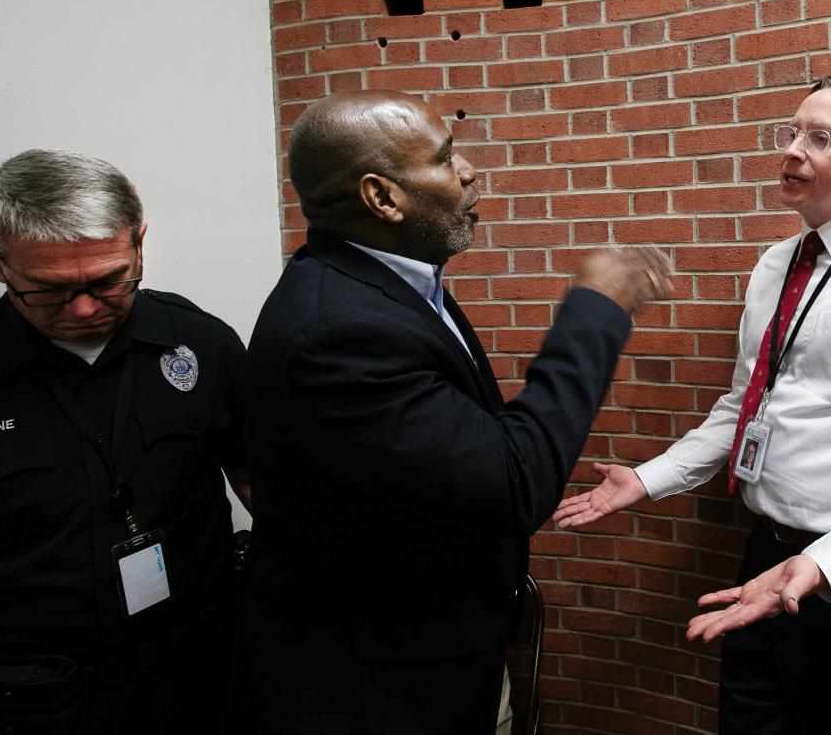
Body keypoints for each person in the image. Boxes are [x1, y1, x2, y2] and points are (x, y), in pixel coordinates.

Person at [554, 74, 831, 734]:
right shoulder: (773, 265)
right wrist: (647, 478)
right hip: (762, 565)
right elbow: (747, 405)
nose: (793, 150)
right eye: (789, 132)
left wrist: (826, 562)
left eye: (821, 138)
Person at [231, 89, 671, 734]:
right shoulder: (340, 330)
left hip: (437, 650)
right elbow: (513, 481)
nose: (468, 172)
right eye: (444, 159)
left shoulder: (391, 285)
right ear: (382, 197)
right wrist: (596, 309)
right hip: (377, 688)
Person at [0, 149, 249, 734]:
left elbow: (261, 480)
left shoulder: (200, 344)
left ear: (139, 243)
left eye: (111, 280)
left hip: (200, 677)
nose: (86, 308)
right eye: (50, 290)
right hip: (27, 705)